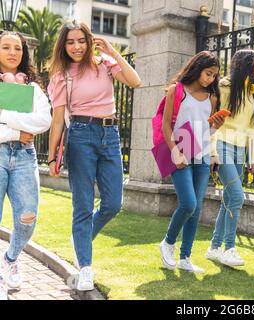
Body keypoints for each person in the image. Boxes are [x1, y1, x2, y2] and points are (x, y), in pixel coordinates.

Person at [47, 20, 141, 291]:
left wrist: (112, 50)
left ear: (89, 42)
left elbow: (135, 81)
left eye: (81, 41)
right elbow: (56, 122)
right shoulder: (62, 75)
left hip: (110, 136)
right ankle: (85, 268)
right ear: (63, 45)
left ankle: (82, 238)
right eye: (70, 42)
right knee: (83, 205)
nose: (76, 47)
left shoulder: (103, 63)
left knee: (113, 203)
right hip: (80, 135)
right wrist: (52, 158)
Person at [159, 51, 225, 273]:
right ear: (197, 69)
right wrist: (174, 151)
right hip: (181, 152)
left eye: (214, 75)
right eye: (208, 73)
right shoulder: (176, 91)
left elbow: (207, 130)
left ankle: (185, 258)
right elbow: (166, 125)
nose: (211, 79)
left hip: (203, 155)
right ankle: (168, 243)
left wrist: (218, 125)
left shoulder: (212, 98)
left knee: (196, 210)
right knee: (188, 203)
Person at [0, 31, 52, 300]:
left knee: (28, 217)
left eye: (17, 48)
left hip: (24, 157)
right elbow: (29, 125)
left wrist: (5, 119)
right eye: (6, 47)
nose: (12, 52)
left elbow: (44, 121)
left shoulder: (32, 87)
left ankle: (10, 258)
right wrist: (17, 131)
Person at [205, 49, 254, 267]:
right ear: (246, 63)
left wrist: (253, 157)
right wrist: (212, 153)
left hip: (240, 150)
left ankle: (213, 248)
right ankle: (229, 248)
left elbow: (252, 127)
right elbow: (212, 121)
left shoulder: (251, 90)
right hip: (222, 145)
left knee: (228, 200)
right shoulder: (225, 87)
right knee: (237, 197)